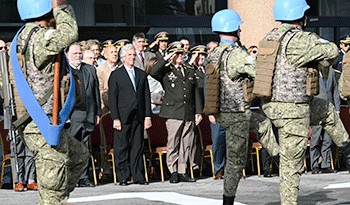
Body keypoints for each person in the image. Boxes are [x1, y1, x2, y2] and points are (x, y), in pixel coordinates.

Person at [259, 0, 350, 204]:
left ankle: (346, 147)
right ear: (300, 16)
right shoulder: (301, 39)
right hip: (293, 111)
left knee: (326, 110)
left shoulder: (269, 37)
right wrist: (320, 60)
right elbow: (333, 51)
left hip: (272, 107)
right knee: (291, 167)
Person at [10, 0, 89, 204]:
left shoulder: (22, 36)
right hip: (42, 123)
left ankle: (55, 198)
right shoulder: (39, 36)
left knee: (79, 157)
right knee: (53, 184)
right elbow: (69, 34)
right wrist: (62, 8)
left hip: (40, 121)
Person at [208, 9, 279, 204]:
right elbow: (256, 71)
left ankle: (279, 158)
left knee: (263, 124)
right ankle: (228, 200)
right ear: (231, 28)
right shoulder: (235, 54)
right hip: (237, 113)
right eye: (238, 27)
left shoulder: (214, 53)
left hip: (225, 112)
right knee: (236, 161)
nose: (240, 30)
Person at [150, 41, 203, 183]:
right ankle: (172, 170)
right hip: (173, 111)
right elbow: (153, 72)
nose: (180, 56)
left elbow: (195, 92)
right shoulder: (166, 70)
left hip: (188, 111)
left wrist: (198, 111)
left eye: (182, 53)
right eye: (177, 53)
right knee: (173, 142)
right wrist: (166, 58)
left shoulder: (189, 69)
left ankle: (182, 170)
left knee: (187, 142)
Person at [108, 44, 152, 186]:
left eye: (134, 55)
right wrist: (115, 118)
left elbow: (146, 96)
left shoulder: (140, 73)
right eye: (129, 55)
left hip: (138, 116)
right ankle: (123, 176)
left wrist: (147, 116)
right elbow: (112, 98)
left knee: (138, 146)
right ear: (123, 57)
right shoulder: (116, 74)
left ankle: (138, 175)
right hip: (122, 116)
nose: (132, 58)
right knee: (121, 146)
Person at [66, 43, 102, 187]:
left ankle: (83, 177)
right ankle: (70, 178)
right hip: (71, 114)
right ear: (67, 55)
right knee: (70, 146)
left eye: (80, 53)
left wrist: (98, 112)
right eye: (74, 54)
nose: (78, 56)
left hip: (88, 112)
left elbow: (96, 93)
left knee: (84, 146)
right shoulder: (64, 70)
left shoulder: (90, 69)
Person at [96, 44, 119, 114]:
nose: (114, 54)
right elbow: (100, 90)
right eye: (111, 52)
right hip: (106, 107)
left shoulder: (121, 68)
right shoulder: (100, 69)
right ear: (105, 56)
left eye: (115, 52)